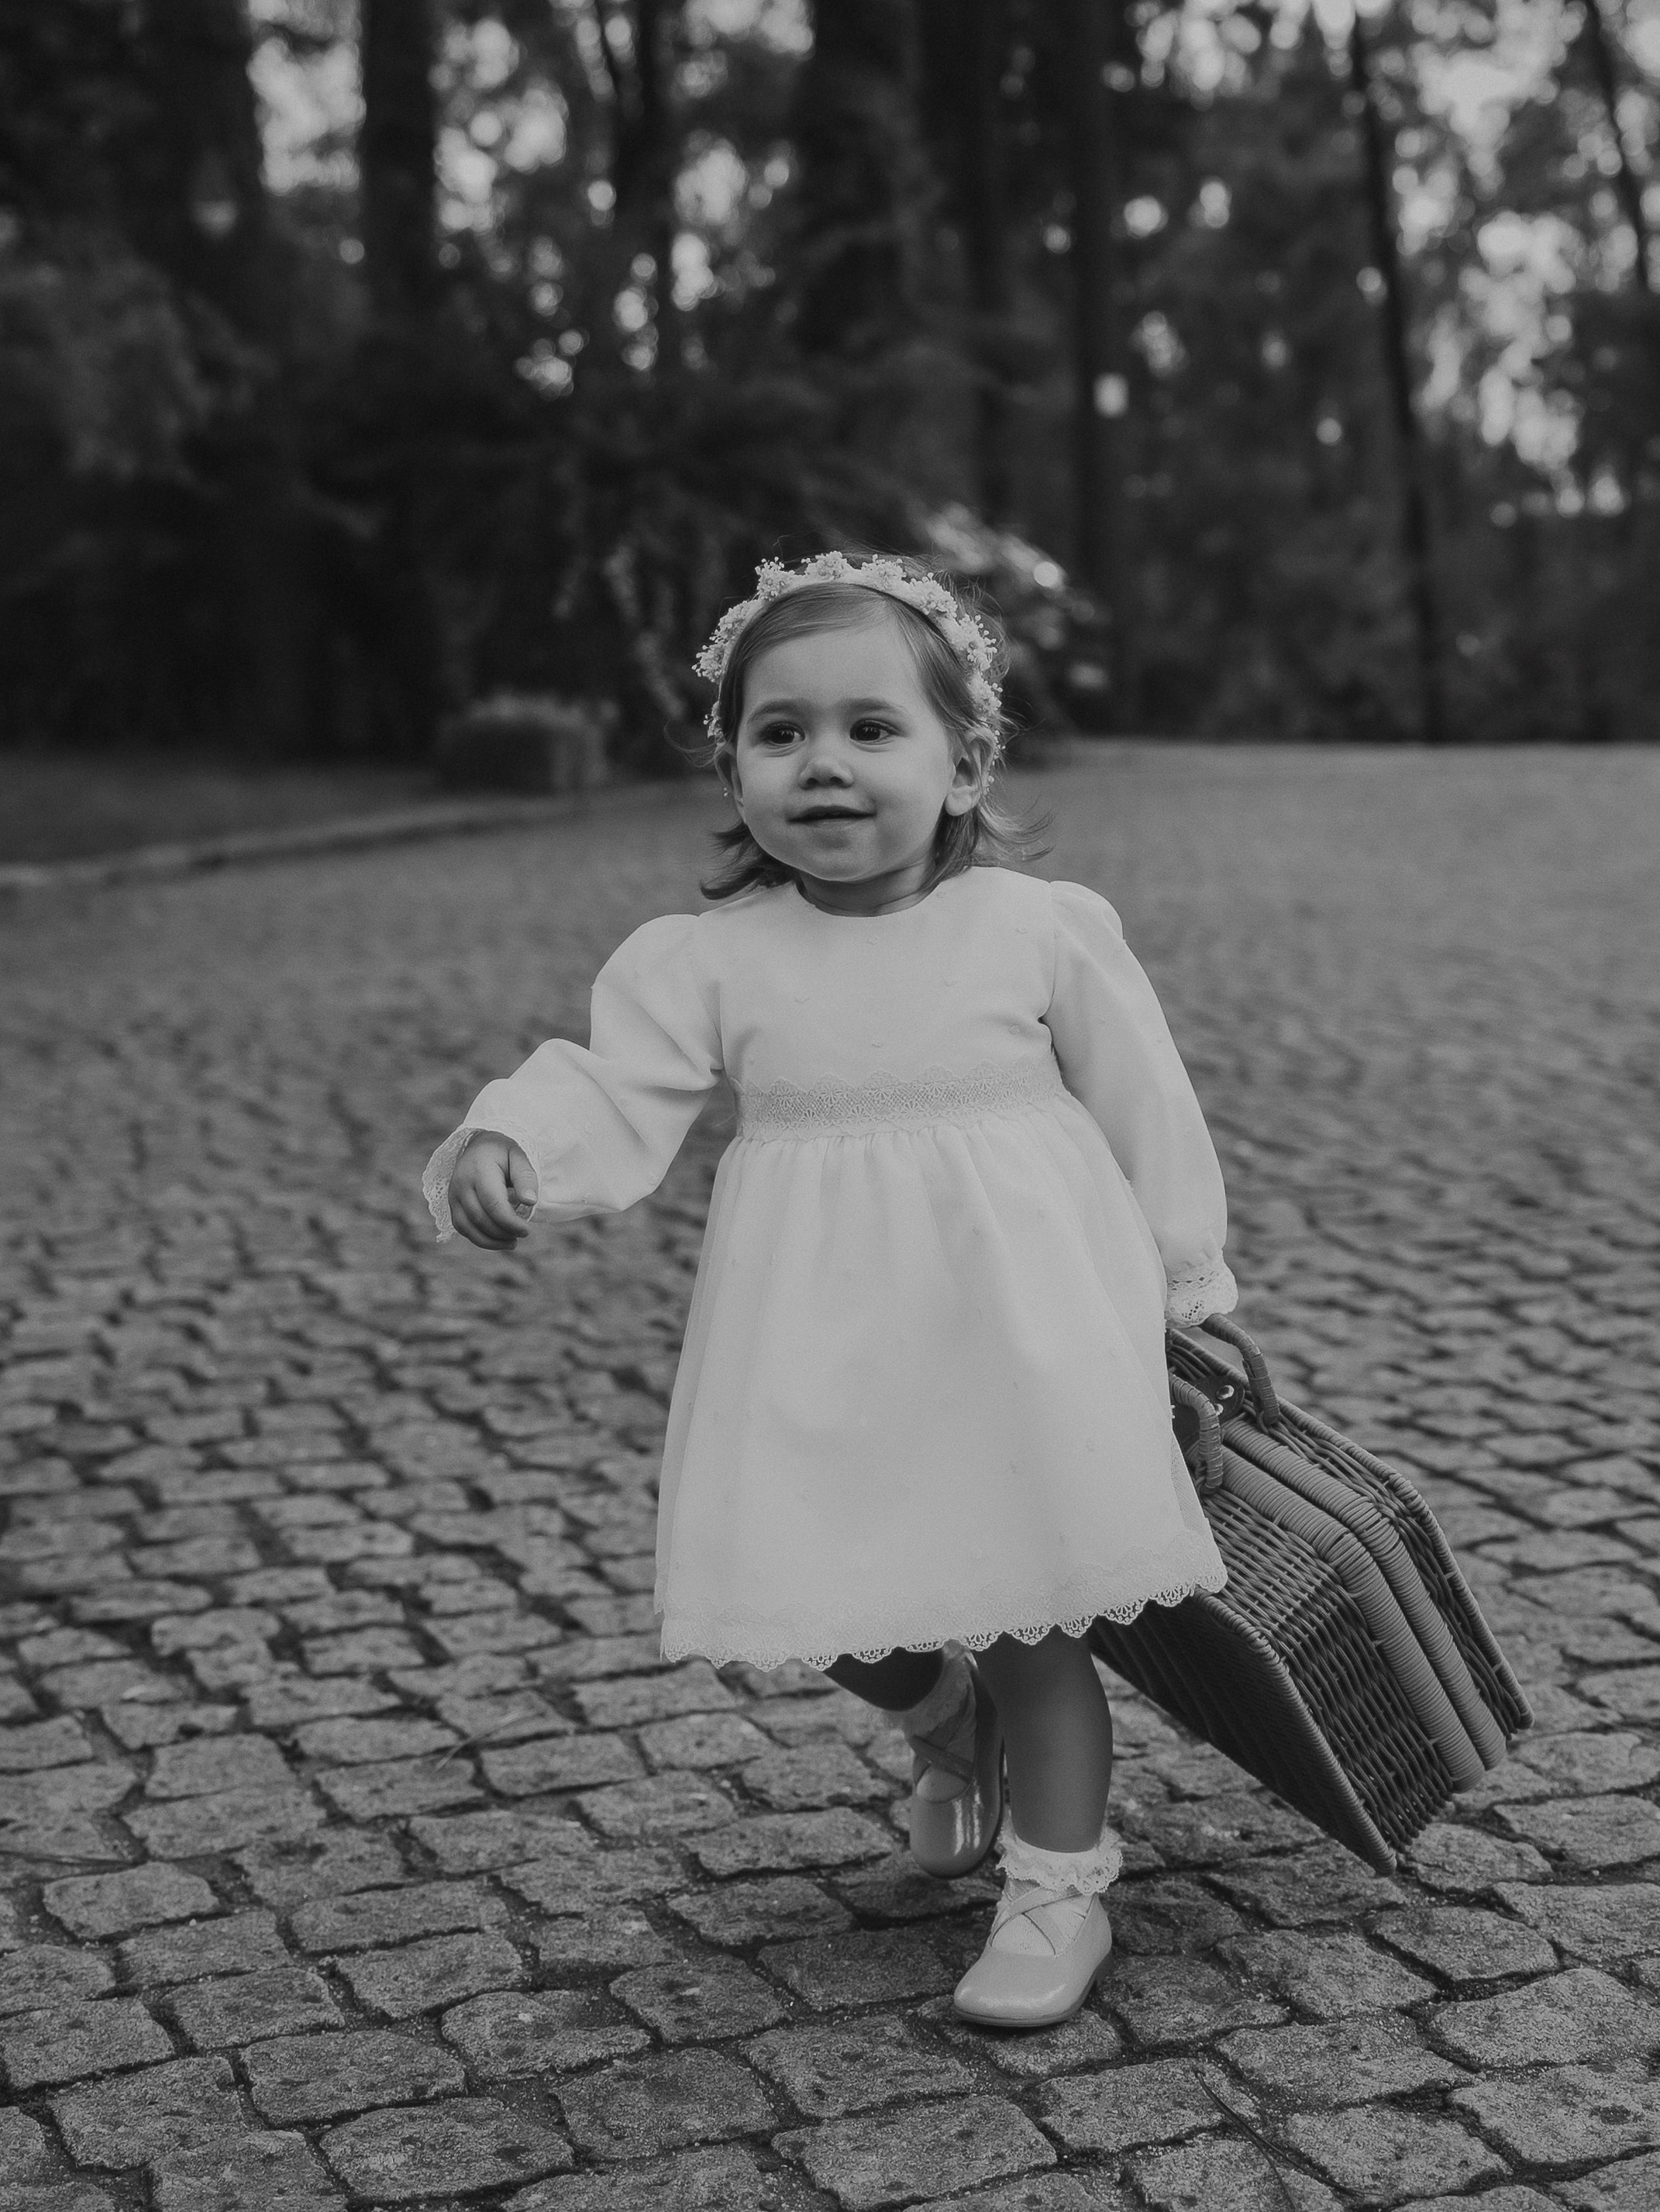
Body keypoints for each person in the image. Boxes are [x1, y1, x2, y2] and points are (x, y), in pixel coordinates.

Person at [424, 552, 1237, 2026]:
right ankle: (940, 1717)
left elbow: (1145, 1109)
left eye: (873, 729)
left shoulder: (1038, 930)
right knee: (843, 1606)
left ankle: (1060, 1893)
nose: (826, 764)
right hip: (821, 1340)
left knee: (1041, 1618)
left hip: (1025, 1329)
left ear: (965, 757)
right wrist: (510, 1137)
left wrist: (1190, 1287)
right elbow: (613, 1082)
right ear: (730, 766)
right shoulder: (714, 960)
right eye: (780, 732)